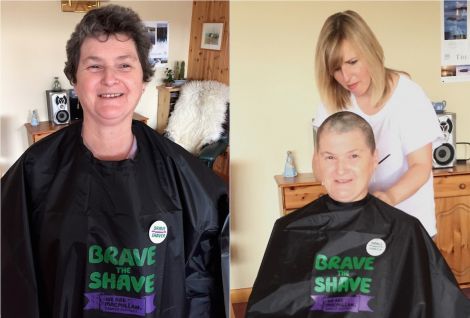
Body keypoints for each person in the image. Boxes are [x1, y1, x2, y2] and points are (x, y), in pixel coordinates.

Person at [1, 5, 228, 318]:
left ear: (143, 80)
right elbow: (14, 279)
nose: (110, 79)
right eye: (94, 66)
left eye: (124, 65)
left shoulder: (187, 180)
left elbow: (202, 284)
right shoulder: (34, 172)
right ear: (75, 80)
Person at [246, 111, 470, 317]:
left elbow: (445, 306)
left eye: (353, 156)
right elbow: (268, 309)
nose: (341, 169)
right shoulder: (290, 230)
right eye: (330, 157)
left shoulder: (404, 231)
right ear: (317, 162)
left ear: (374, 159)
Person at [312, 10, 442, 236]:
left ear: (370, 51)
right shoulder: (331, 103)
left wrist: (387, 199)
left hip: (408, 225)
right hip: (357, 224)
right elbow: (319, 160)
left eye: (352, 62)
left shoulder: (408, 96)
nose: (347, 77)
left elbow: (421, 166)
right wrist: (336, 186)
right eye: (336, 69)